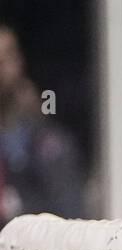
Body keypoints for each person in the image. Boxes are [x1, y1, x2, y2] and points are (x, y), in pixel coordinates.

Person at [0, 24, 85, 225]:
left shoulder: (50, 144)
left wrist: (14, 206)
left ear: (19, 63)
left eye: (5, 59)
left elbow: (68, 213)